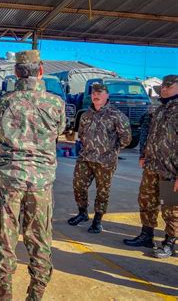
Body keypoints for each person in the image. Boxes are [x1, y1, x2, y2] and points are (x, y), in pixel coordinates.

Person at [0, 50, 66, 300]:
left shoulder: (4, 102)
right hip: (41, 181)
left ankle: (4, 297)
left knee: (5, 240)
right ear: (41, 71)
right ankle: (36, 296)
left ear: (16, 73)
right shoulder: (56, 103)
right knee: (40, 239)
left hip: (10, 179)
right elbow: (60, 131)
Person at [123, 74, 177, 258]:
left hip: (171, 169)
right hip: (152, 165)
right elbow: (146, 130)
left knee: (171, 207)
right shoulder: (159, 109)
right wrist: (143, 153)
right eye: (163, 86)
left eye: (169, 86)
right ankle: (147, 234)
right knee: (146, 200)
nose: (164, 88)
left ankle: (170, 242)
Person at [67, 83, 132, 233]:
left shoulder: (116, 115)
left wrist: (111, 149)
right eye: (94, 93)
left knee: (102, 191)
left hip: (105, 161)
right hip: (85, 158)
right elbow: (81, 135)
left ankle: (97, 220)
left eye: (100, 93)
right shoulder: (85, 115)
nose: (96, 95)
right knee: (78, 186)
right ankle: (82, 213)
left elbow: (126, 138)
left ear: (107, 95)